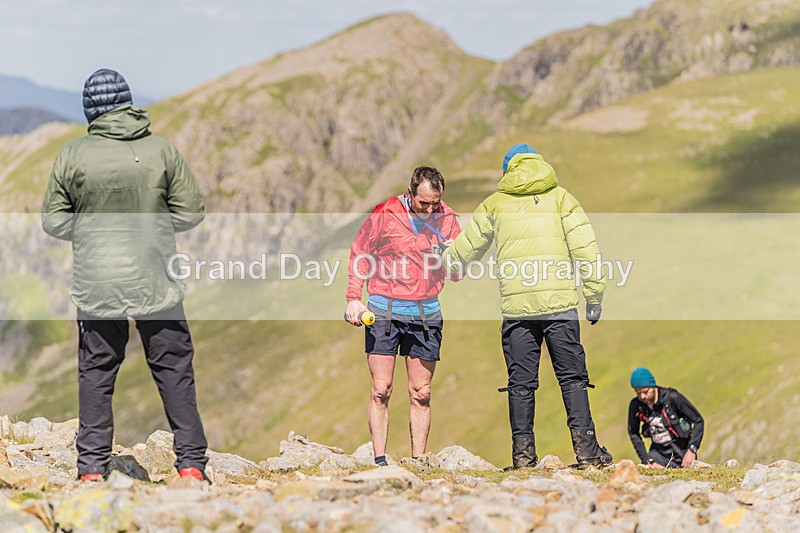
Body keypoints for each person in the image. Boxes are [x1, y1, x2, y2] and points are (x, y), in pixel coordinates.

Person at [41, 69, 210, 482]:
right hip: (157, 281)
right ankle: (190, 467)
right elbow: (192, 214)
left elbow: (53, 222)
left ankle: (92, 471)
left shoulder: (73, 155)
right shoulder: (162, 151)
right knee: (173, 368)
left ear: (90, 110)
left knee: (96, 371)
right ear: (129, 103)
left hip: (97, 284)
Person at [442, 144, 612, 469]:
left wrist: (443, 257)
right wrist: (594, 297)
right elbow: (586, 250)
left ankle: (523, 459)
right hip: (559, 304)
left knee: (520, 382)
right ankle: (587, 453)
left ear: (506, 171)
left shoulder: (495, 204)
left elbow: (466, 250)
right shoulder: (561, 198)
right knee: (572, 377)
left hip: (518, 311)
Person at [345, 166, 461, 465]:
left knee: (421, 393)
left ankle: (418, 461)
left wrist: (453, 256)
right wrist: (354, 299)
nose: (430, 209)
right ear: (410, 194)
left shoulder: (447, 219)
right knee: (381, 389)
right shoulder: (385, 213)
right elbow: (361, 254)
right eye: (424, 203)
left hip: (426, 313)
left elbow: (459, 274)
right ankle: (380, 459)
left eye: (435, 203)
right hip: (384, 310)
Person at [628, 367, 704, 468]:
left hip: (682, 453)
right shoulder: (636, 405)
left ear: (653, 386)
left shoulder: (672, 397)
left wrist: (692, 449)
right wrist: (646, 460)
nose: (642, 396)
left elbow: (698, 420)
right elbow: (633, 433)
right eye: (638, 392)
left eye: (645, 391)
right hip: (657, 455)